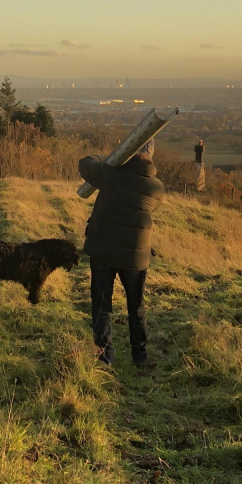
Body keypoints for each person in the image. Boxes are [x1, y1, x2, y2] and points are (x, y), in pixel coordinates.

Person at [78, 140, 163, 367]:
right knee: (136, 307)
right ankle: (140, 357)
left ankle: (104, 357)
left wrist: (109, 156)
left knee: (102, 306)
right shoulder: (156, 187)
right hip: (135, 257)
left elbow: (84, 163)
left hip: (103, 251)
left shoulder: (109, 173)